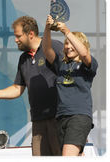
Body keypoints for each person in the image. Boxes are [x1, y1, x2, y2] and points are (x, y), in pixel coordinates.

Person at [0, 16, 63, 157]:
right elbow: (17, 88)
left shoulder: (53, 46)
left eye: (18, 36)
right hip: (38, 120)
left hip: (58, 117)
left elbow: (70, 74)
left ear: (31, 34)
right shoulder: (23, 58)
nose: (15, 40)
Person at [42, 15, 98, 157]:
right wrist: (47, 28)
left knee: (67, 157)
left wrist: (66, 31)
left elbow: (84, 54)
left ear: (81, 44)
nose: (67, 46)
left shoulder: (88, 64)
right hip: (61, 117)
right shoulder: (61, 64)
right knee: (77, 156)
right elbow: (46, 49)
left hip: (79, 115)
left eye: (71, 43)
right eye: (66, 43)